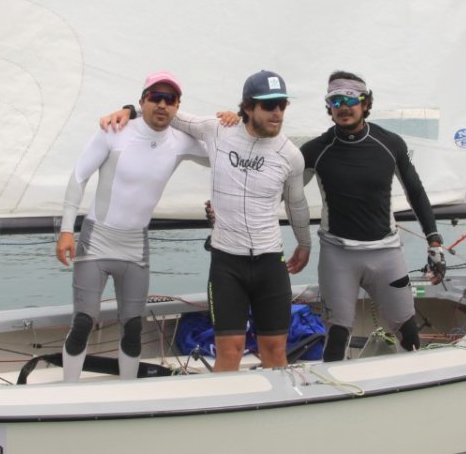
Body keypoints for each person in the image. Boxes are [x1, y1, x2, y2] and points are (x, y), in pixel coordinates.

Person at [104, 70, 312, 372]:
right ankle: (226, 413)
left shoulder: (290, 155)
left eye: (282, 104)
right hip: (228, 264)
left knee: (275, 350)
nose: (277, 112)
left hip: (270, 262)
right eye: (269, 106)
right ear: (248, 107)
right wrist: (129, 109)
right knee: (229, 351)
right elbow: (172, 114)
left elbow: (297, 204)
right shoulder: (218, 130)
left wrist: (304, 244)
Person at [56, 71, 208, 382]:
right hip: (96, 241)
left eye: (171, 99)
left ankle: (129, 389)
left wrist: (232, 121)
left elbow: (222, 151)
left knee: (134, 326)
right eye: (155, 98)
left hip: (134, 247)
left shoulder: (180, 141)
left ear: (179, 105)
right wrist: (66, 231)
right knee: (84, 320)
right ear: (142, 101)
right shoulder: (115, 131)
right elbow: (78, 177)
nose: (162, 105)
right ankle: (67, 388)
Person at [300, 70, 447, 362]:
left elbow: (416, 192)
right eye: (335, 100)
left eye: (351, 99)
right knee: (337, 336)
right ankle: (335, 400)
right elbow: (276, 189)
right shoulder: (316, 150)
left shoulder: (390, 143)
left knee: (408, 332)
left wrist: (434, 241)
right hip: (338, 256)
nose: (344, 106)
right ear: (329, 108)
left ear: (366, 103)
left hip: (387, 254)